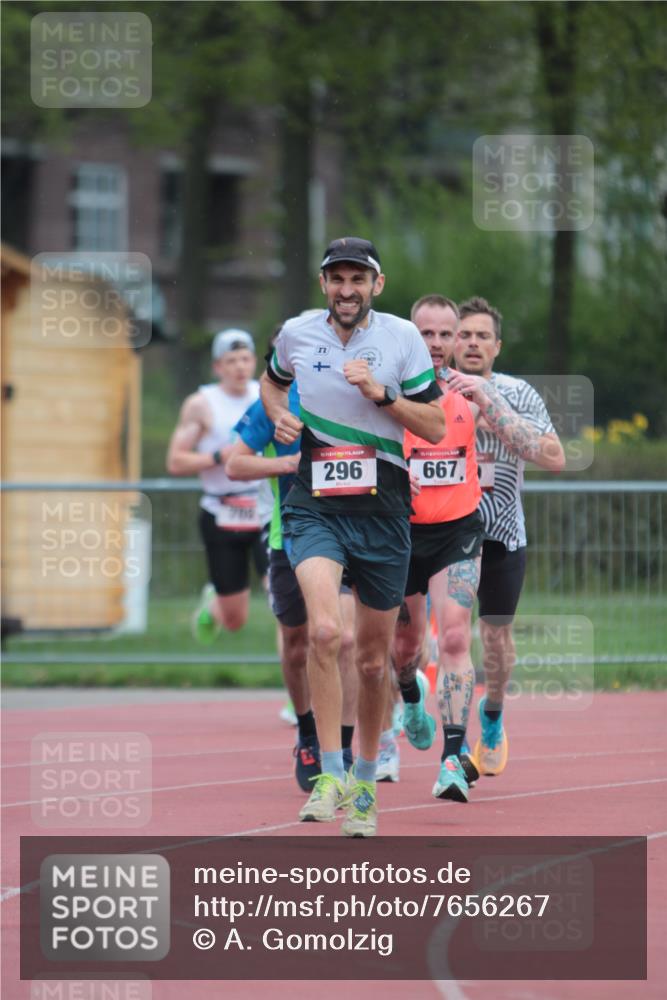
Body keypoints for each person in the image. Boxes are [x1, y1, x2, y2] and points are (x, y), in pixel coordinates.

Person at [260, 237, 444, 837]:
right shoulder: (295, 333)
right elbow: (271, 382)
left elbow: (437, 426)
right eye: (336, 278)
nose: (346, 289)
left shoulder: (401, 339)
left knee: (371, 662)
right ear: (323, 284)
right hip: (314, 506)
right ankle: (330, 775)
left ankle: (365, 783)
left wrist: (383, 395)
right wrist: (279, 414)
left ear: (376, 285)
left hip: (385, 511)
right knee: (324, 631)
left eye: (357, 279)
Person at [226, 342, 359, 792]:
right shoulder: (277, 403)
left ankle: (341, 745)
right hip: (289, 535)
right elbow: (234, 462)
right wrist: (288, 464)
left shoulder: (353, 394)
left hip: (349, 533)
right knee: (298, 642)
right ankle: (306, 729)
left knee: (345, 638)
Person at [449, 296, 565, 776]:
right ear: (451, 342)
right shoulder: (428, 390)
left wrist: (487, 401)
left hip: (501, 534)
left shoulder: (517, 392)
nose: (472, 343)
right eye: (464, 334)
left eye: (482, 336)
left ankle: (492, 715)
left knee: (494, 638)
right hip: (445, 532)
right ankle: (405, 716)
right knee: (436, 637)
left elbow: (554, 456)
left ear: (497, 347)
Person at [391, 294, 484, 802]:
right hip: (400, 533)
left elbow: (543, 448)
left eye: (446, 334)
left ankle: (452, 755)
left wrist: (493, 399)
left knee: (452, 639)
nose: (436, 343)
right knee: (404, 649)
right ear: (410, 335)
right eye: (426, 334)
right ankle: (409, 696)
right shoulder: (389, 394)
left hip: (457, 531)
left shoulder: (472, 394)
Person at [166, 329, 270, 642]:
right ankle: (213, 604)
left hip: (264, 508)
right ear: (217, 367)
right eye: (231, 361)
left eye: (245, 359)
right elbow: (175, 461)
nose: (239, 367)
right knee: (235, 619)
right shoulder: (201, 404)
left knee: (282, 595)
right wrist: (217, 456)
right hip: (221, 512)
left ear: (254, 361)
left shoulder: (266, 395)